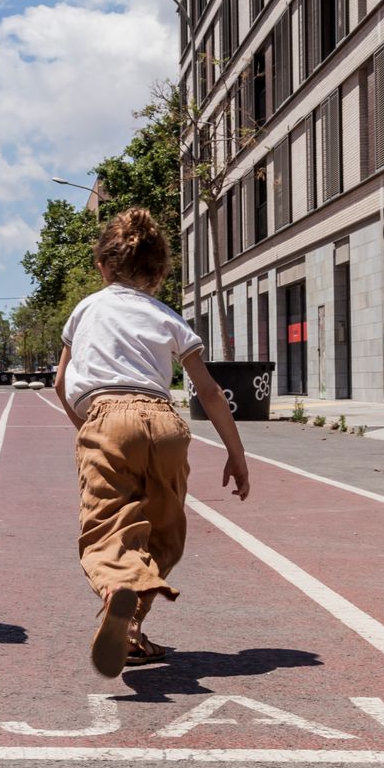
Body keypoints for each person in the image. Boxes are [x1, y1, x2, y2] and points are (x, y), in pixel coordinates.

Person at [54, 207, 250, 678]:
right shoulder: (168, 317)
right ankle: (132, 631)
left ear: (102, 266)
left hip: (106, 418)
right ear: (160, 273)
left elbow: (61, 380)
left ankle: (118, 593)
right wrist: (235, 454)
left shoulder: (86, 309)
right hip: (165, 424)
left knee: (107, 529)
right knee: (163, 530)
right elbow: (208, 390)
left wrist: (85, 426)